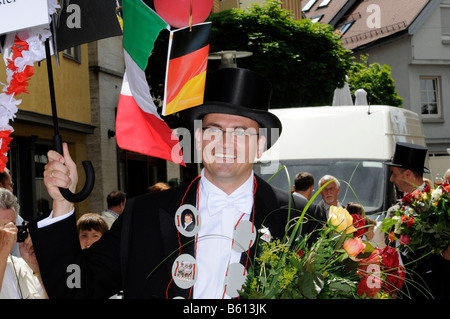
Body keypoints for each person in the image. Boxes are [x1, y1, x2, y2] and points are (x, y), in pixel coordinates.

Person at [29, 67, 325, 299]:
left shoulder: (301, 217)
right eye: (214, 130)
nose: (225, 142)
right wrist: (63, 203)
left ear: (260, 146)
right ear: (197, 138)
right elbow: (77, 289)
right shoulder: (143, 214)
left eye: (241, 132)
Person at [385, 142, 450, 299]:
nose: (392, 179)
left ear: (408, 174)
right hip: (404, 290)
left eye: (394, 173)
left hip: (431, 289)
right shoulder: (399, 207)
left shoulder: (437, 205)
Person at [0, 188, 47, 298]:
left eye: (12, 225)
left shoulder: (22, 266)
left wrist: (36, 268)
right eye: (2, 226)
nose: (9, 232)